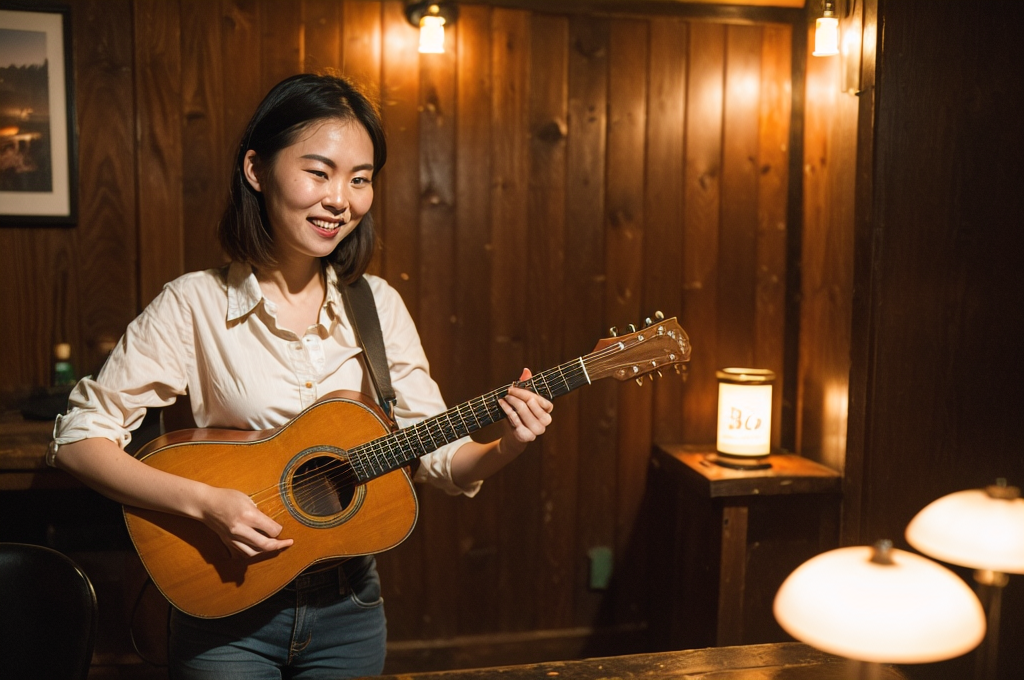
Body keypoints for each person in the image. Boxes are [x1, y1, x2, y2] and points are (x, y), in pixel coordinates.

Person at [49, 72, 553, 679]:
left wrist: (508, 444)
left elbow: (440, 459)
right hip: (225, 606)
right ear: (257, 170)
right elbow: (79, 443)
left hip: (351, 608)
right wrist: (207, 503)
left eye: (360, 179)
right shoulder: (194, 304)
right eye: (319, 172)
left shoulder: (378, 306)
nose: (341, 198)